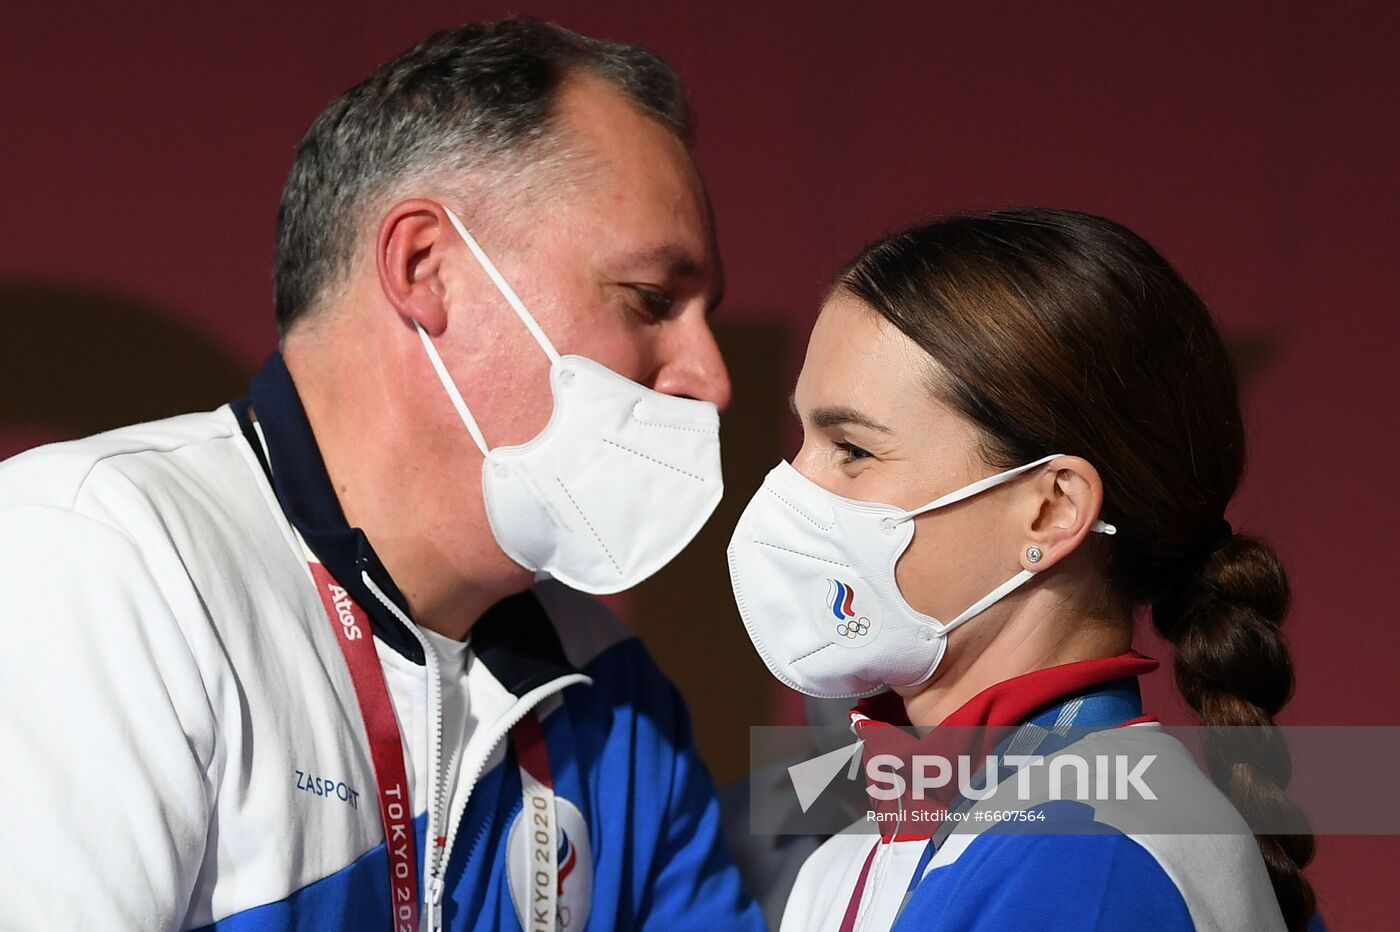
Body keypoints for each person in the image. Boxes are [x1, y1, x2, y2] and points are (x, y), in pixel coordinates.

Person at [0, 18, 763, 932]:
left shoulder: (621, 699)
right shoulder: (105, 555)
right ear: (424, 267)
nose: (711, 379)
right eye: (650, 299)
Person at [726, 209, 1321, 930]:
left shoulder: (1085, 861)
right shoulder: (851, 860)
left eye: (851, 448)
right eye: (803, 436)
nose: (795, 485)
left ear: (1050, 511)